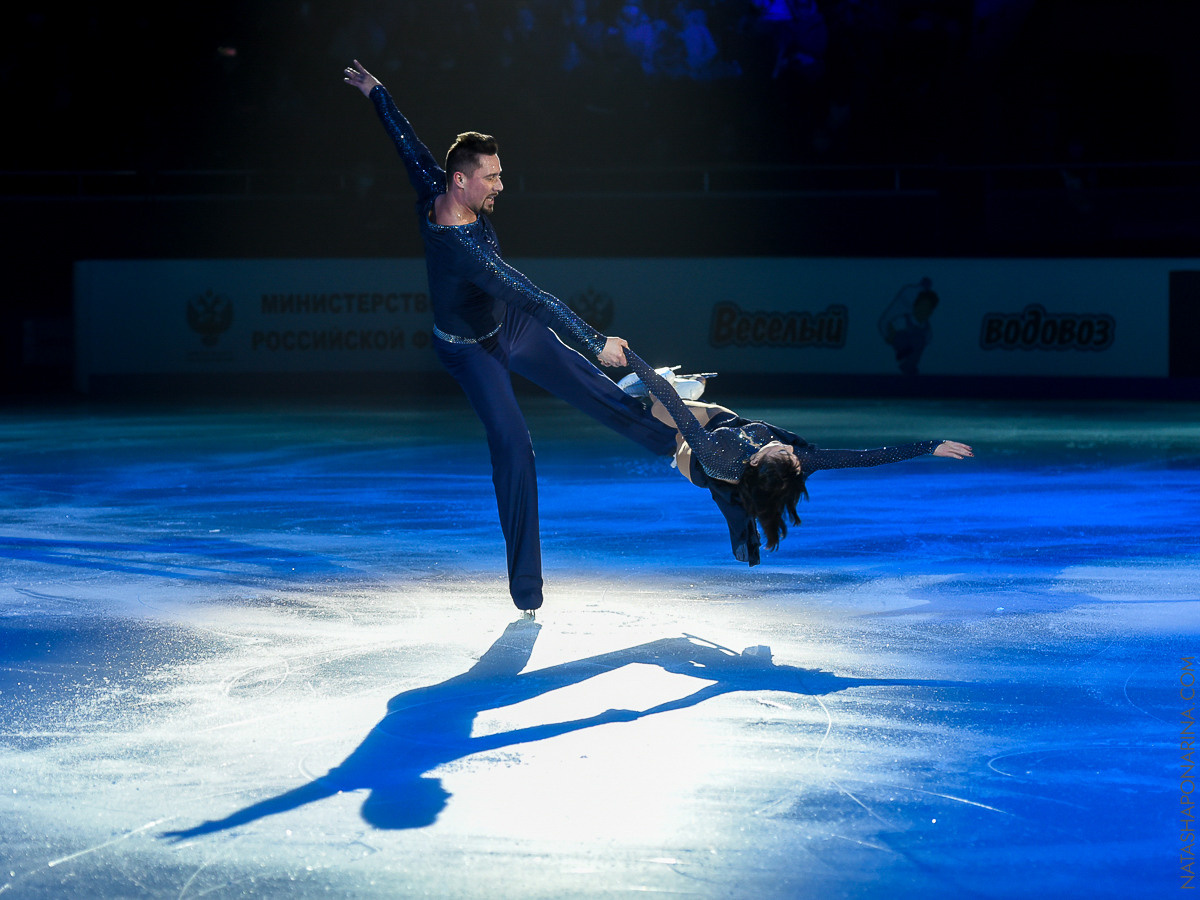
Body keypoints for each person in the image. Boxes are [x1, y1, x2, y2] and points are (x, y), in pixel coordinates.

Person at [343, 60, 677, 613]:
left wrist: (378, 93)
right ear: (461, 181)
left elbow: (407, 144)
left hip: (510, 325)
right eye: (492, 177)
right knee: (515, 448)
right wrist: (595, 339)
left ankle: (677, 447)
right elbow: (532, 295)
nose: (501, 184)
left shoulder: (435, 185)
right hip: (470, 351)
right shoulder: (462, 248)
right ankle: (527, 586)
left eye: (499, 174)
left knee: (591, 386)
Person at [621, 351, 973, 565]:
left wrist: (631, 358)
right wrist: (930, 446)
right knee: (696, 411)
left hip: (697, 461)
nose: (790, 448)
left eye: (784, 451)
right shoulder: (798, 460)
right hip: (725, 426)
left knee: (665, 417)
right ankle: (690, 390)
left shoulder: (716, 458)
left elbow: (671, 404)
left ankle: (683, 399)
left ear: (757, 462)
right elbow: (865, 457)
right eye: (790, 454)